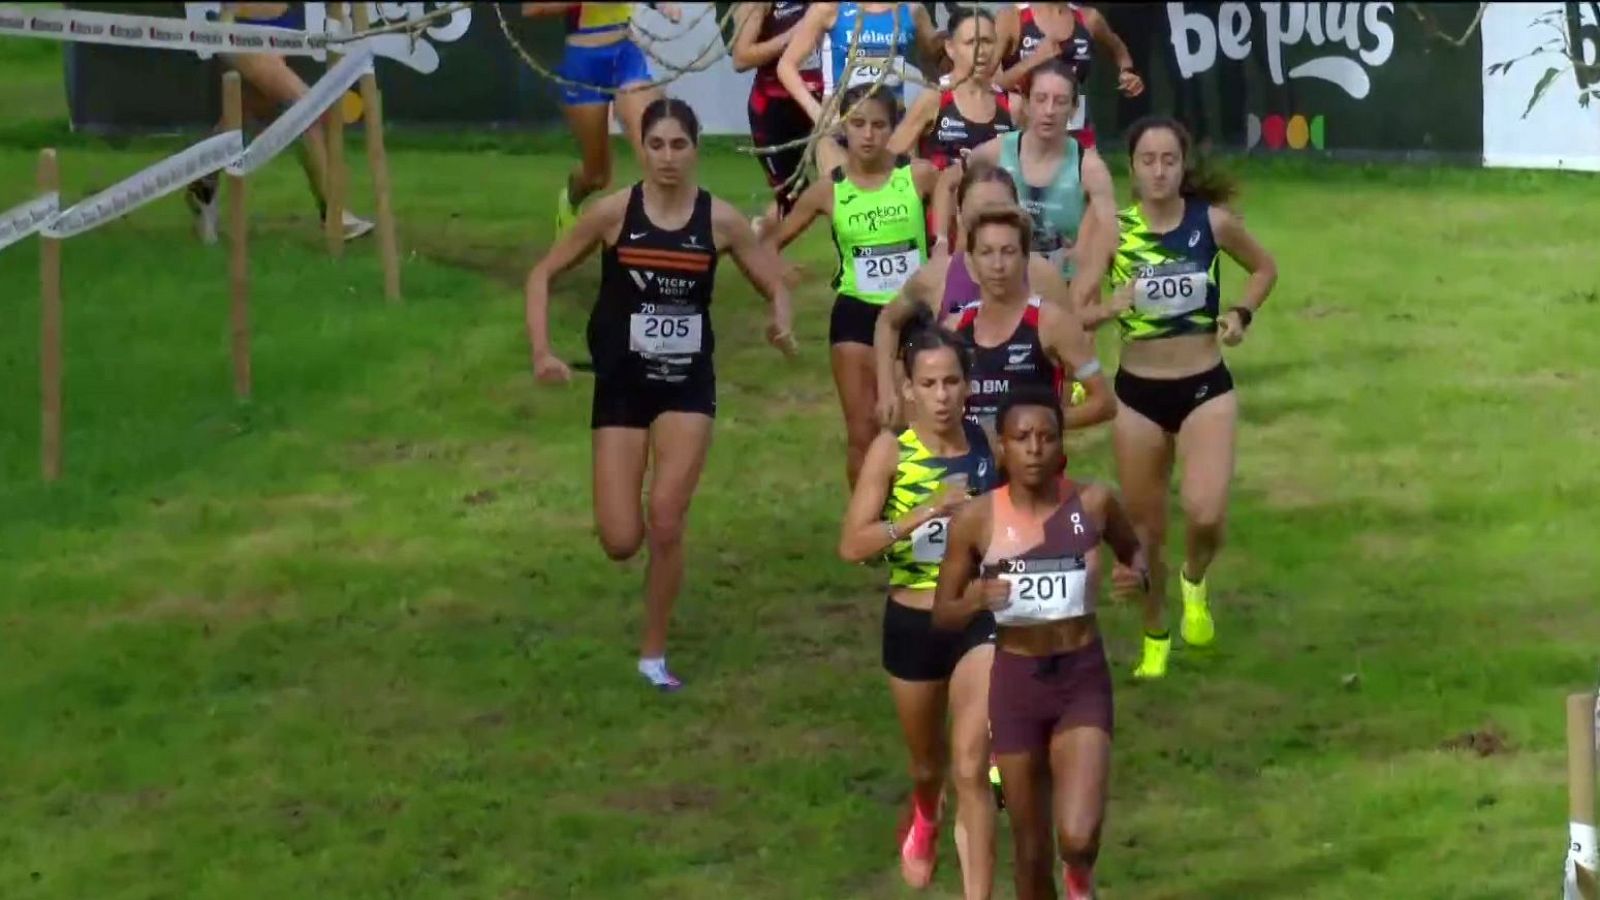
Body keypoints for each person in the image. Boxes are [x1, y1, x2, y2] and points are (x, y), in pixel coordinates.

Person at [524, 99, 798, 691]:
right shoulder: (612, 214)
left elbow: (773, 279)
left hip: (686, 384)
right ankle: (646, 554)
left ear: (696, 149)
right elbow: (541, 275)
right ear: (640, 149)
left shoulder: (719, 221)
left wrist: (781, 320)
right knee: (623, 540)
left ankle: (654, 654)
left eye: (679, 145)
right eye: (657, 145)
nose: (668, 158)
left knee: (667, 518)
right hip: (622, 384)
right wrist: (542, 350)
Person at [933, 388, 1155, 900]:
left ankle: (1079, 877)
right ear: (1003, 448)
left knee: (1077, 838)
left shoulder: (1093, 504)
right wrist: (976, 601)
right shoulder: (978, 520)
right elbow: (944, 612)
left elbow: (1135, 553)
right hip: (1016, 686)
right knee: (1031, 856)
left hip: (1080, 679)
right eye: (1022, 437)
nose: (1034, 448)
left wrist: (1134, 575)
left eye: (1046, 437)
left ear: (1061, 446)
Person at [1102, 116, 1278, 680]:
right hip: (1137, 394)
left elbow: (1264, 268)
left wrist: (1240, 313)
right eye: (1147, 161)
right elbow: (1072, 306)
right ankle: (1155, 634)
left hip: (1205, 384)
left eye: (1168, 160)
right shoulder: (1111, 232)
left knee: (1205, 513)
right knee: (1144, 531)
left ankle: (1195, 578)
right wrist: (1112, 304)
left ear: (1182, 167)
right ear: (1130, 170)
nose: (1158, 171)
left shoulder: (1212, 224)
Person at [839, 309, 999, 895]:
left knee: (971, 764)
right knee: (927, 765)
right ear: (907, 389)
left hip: (977, 616)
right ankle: (925, 815)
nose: (941, 396)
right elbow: (852, 545)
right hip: (911, 621)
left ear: (968, 385)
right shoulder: (891, 453)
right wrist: (923, 513)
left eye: (952, 382)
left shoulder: (986, 444)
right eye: (928, 384)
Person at [766, 84, 940, 488]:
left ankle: (920, 523)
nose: (868, 135)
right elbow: (765, 247)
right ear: (844, 127)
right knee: (863, 433)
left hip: (913, 316)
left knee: (914, 430)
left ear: (893, 128)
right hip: (856, 318)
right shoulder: (829, 189)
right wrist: (779, 278)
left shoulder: (917, 176)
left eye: (879, 125)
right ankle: (868, 530)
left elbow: (966, 213)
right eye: (858, 124)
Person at [873, 204, 1112, 437]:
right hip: (971, 471)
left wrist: (1039, 424)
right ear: (972, 261)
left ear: (1025, 258)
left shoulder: (1050, 323)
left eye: (1008, 252)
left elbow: (1104, 403)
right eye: (986, 253)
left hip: (1032, 472)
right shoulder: (955, 327)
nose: (997, 265)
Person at [185, 2, 375, 244]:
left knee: (245, 117)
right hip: (239, 28)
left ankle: (203, 187)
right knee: (306, 107)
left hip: (282, 25)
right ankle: (334, 213)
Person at [521, 2, 683, 235]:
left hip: (626, 55)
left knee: (653, 142)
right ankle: (570, 199)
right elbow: (532, 9)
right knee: (597, 176)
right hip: (583, 63)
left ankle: (662, 236)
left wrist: (664, 6)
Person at [960, 61, 1115, 284]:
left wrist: (1087, 272)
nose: (1049, 111)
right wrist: (950, 241)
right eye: (1041, 99)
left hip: (1064, 290)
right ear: (1026, 104)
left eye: (1060, 102)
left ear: (1073, 109)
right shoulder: (994, 153)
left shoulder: (1089, 168)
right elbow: (950, 183)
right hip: (1002, 287)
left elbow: (1110, 237)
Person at [777, 2, 942, 175]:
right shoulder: (829, 8)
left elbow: (937, 61)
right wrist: (819, 116)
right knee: (842, 197)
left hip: (894, 130)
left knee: (900, 198)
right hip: (840, 129)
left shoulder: (912, 10)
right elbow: (786, 66)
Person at [995, 1, 1145, 150]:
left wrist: (1126, 72)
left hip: (1072, 113)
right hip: (1023, 117)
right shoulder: (1012, 17)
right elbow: (990, 82)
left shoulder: (1088, 18)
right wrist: (1033, 60)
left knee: (1086, 170)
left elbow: (1117, 47)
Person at [888, 5, 1014, 173]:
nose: (980, 51)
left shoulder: (1009, 104)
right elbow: (892, 153)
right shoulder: (935, 97)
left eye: (987, 41)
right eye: (970, 43)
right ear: (950, 48)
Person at [732, 2, 825, 222]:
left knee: (843, 183)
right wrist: (792, 37)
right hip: (776, 110)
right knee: (794, 200)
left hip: (821, 103)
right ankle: (759, 244)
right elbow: (741, 58)